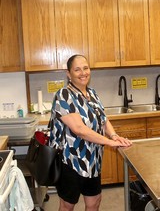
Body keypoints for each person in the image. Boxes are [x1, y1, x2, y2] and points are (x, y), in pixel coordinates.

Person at [48, 54, 132, 211]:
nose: (83, 73)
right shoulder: (63, 95)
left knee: (94, 202)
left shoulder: (92, 93)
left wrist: (114, 135)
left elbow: (103, 119)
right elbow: (79, 129)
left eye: (85, 68)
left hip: (93, 160)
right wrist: (108, 142)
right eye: (77, 69)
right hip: (70, 160)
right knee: (67, 205)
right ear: (69, 74)